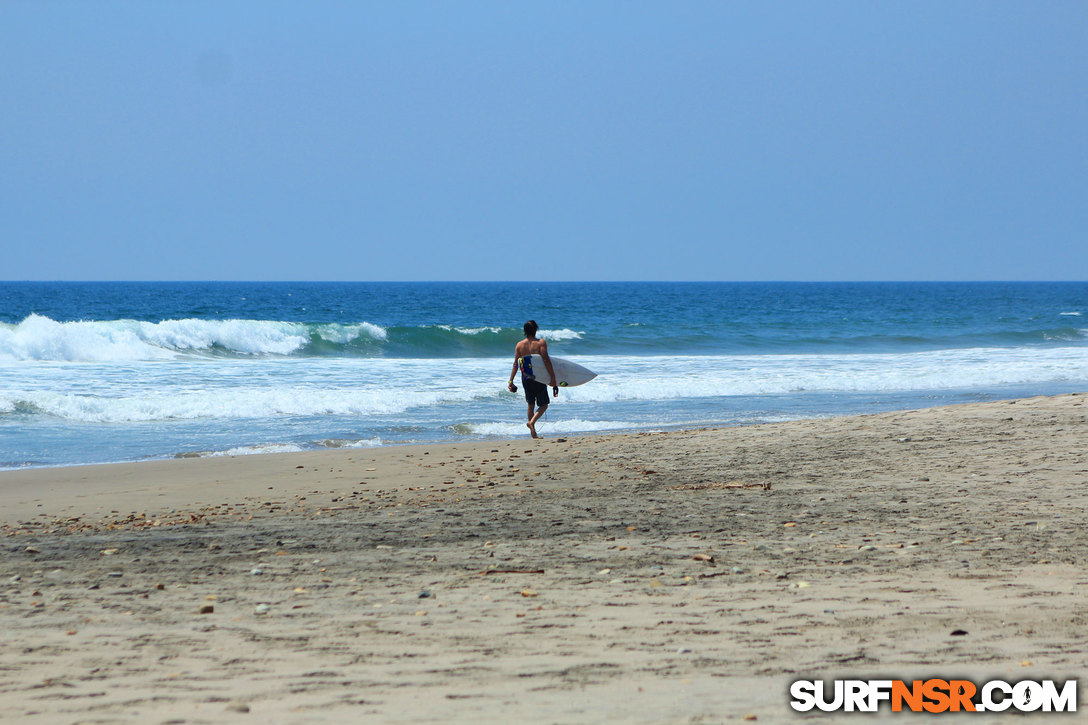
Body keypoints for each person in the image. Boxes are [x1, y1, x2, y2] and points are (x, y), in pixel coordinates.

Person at [508, 320, 559, 439]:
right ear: (535, 329)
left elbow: (516, 364)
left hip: (525, 378)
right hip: (539, 378)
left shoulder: (519, 345)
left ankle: (533, 433)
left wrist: (511, 381)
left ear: (525, 331)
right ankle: (531, 423)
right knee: (544, 405)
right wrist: (553, 378)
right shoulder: (540, 343)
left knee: (530, 404)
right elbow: (546, 360)